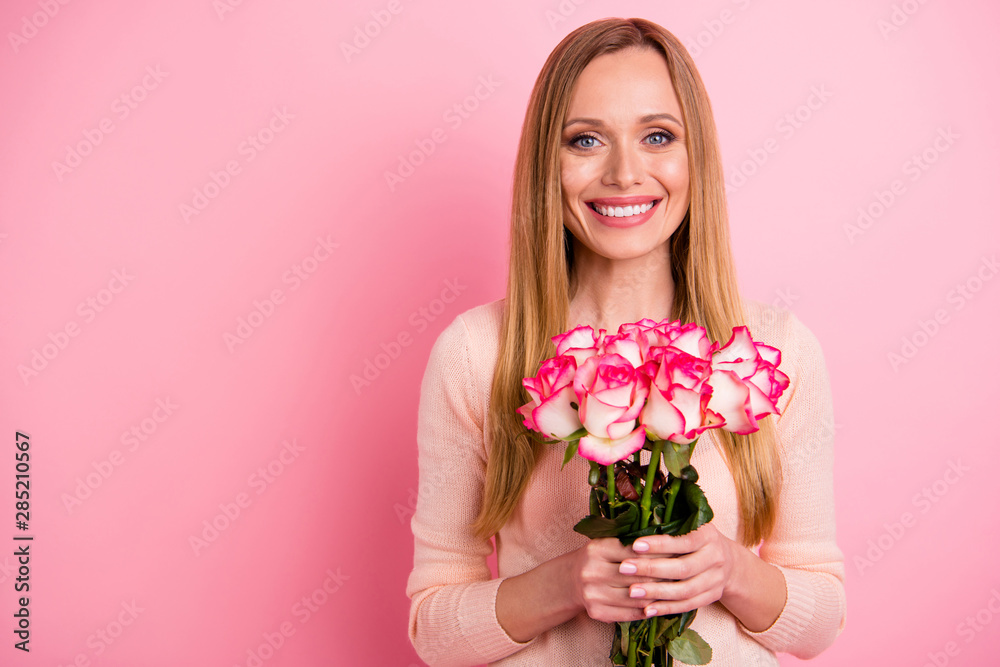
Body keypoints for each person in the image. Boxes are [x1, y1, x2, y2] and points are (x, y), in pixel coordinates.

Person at [406, 17, 845, 667]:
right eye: (586, 140)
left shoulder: (772, 353)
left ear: (696, 156)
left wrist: (729, 570)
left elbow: (820, 623)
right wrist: (563, 582)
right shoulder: (478, 353)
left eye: (658, 136)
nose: (623, 172)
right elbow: (432, 629)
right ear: (546, 167)